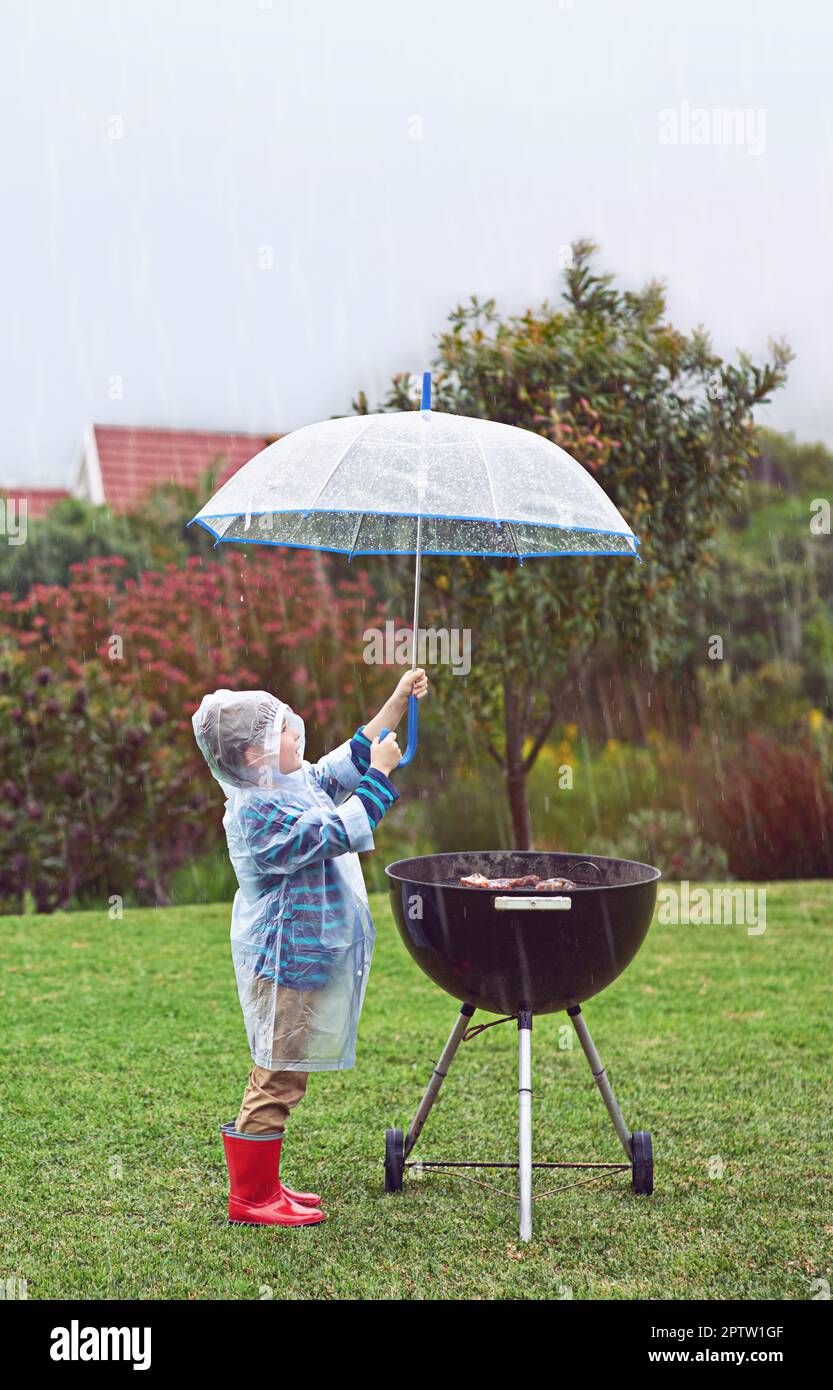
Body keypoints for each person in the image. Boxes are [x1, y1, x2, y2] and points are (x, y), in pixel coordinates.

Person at [192, 668, 429, 1227]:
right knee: (276, 1074)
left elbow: (343, 763)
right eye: (283, 730)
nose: (296, 732)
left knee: (284, 1072)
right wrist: (381, 775)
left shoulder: (285, 782)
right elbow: (339, 830)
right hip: (283, 962)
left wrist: (397, 702)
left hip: (302, 958)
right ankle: (251, 1198)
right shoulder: (257, 812)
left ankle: (264, 1185)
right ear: (254, 755)